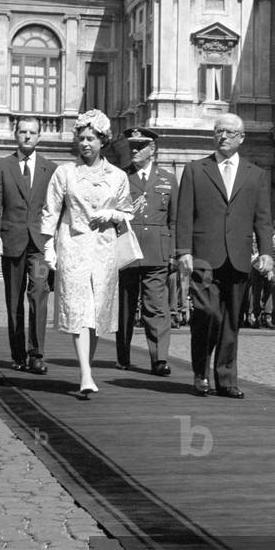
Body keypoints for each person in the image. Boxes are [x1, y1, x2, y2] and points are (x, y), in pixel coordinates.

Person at [176, 114, 272, 399]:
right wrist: (183, 252)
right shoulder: (195, 170)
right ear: (213, 136)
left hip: (239, 256)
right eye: (219, 131)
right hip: (204, 258)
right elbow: (184, 216)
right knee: (208, 313)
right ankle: (200, 372)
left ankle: (226, 378)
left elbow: (263, 218)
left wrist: (266, 252)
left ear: (242, 137)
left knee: (231, 320)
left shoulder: (256, 174)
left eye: (231, 132)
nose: (224, 137)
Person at [40, 109, 131, 397]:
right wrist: (48, 249)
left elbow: (127, 212)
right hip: (73, 247)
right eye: (81, 138)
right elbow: (50, 212)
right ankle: (86, 375)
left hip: (103, 251)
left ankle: (86, 368)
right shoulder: (64, 173)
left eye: (91, 138)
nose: (86, 143)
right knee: (79, 311)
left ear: (103, 140)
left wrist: (111, 213)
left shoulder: (117, 177)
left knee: (94, 316)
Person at [0, 117, 56, 375]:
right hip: (12, 245)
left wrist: (55, 242)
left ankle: (36, 354)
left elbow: (56, 208)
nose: (27, 136)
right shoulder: (2, 167)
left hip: (39, 247)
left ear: (40, 136)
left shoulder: (51, 169)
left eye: (33, 132)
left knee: (39, 295)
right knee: (14, 300)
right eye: (23, 132)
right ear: (15, 134)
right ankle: (17, 354)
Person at [115, 127, 177, 376]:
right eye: (132, 146)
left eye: (140, 146)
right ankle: (123, 356)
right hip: (127, 250)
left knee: (156, 307)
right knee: (125, 308)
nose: (134, 150)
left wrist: (172, 252)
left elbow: (174, 220)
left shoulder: (167, 179)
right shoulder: (120, 177)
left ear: (153, 149)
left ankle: (159, 359)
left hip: (156, 250)